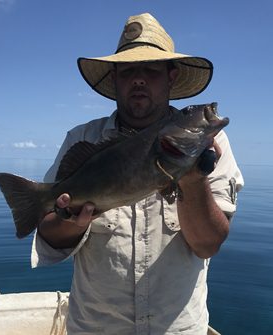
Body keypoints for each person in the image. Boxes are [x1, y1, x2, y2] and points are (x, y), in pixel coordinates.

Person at [31, 13, 244, 335]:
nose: (139, 79)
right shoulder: (82, 139)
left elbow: (207, 245)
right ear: (115, 79)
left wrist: (191, 176)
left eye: (151, 70)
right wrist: (69, 220)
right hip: (95, 328)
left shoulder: (213, 147)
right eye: (129, 71)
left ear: (171, 77)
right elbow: (51, 235)